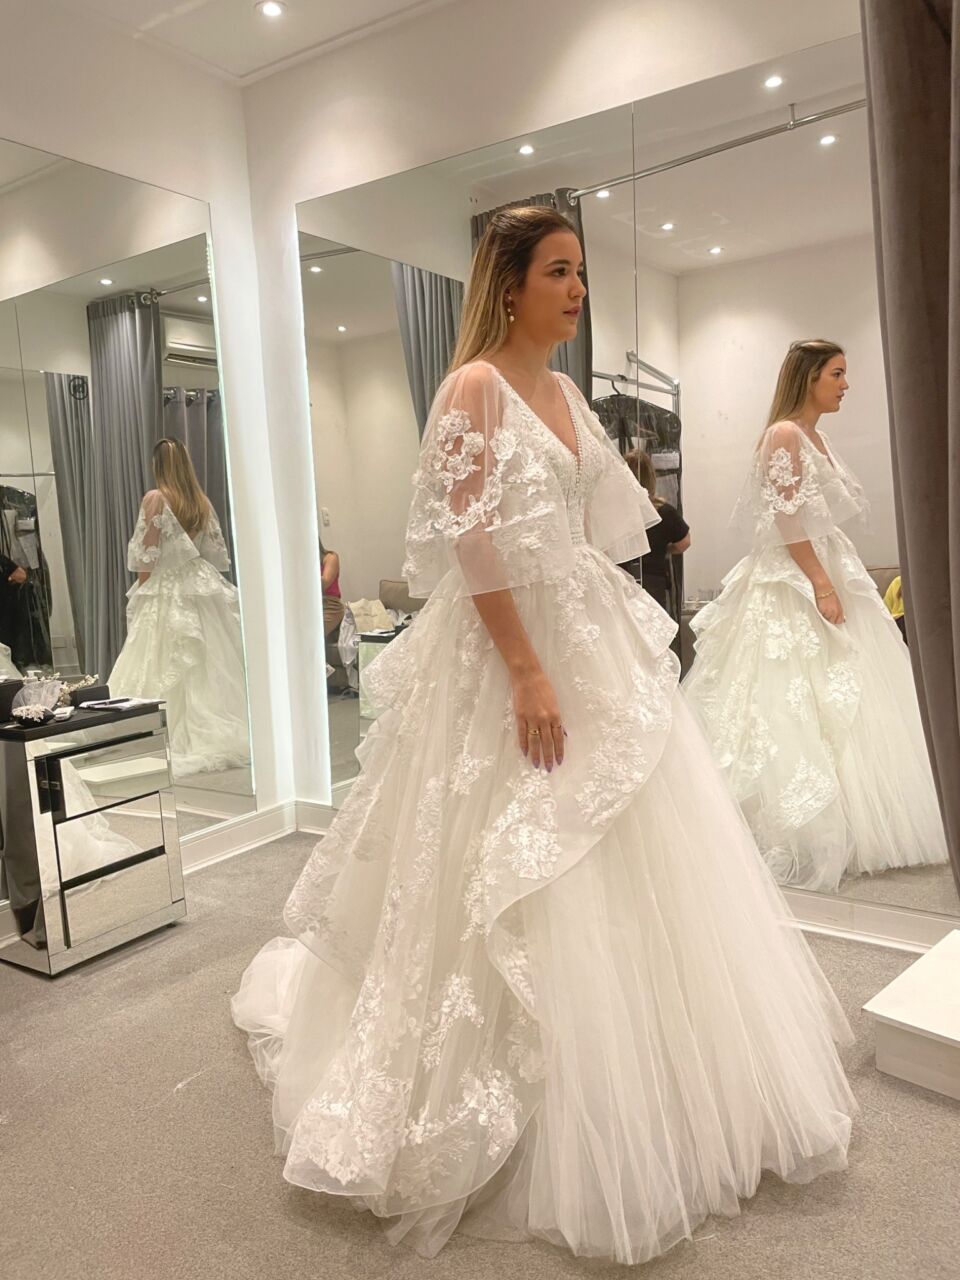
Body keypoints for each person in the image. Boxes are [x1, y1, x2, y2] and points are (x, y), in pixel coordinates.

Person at [232, 211, 855, 1265]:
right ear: (509, 284)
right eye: (558, 272)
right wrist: (526, 667)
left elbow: (603, 520)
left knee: (625, 846)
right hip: (502, 645)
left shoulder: (565, 393)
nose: (577, 290)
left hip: (582, 621)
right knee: (502, 849)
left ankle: (638, 1078)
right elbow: (470, 541)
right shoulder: (472, 386)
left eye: (580, 272)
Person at [684, 340, 947, 892]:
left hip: (826, 562)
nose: (845, 385)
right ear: (808, 377)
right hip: (796, 575)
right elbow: (787, 519)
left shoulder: (814, 436)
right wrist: (820, 583)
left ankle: (857, 818)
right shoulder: (783, 434)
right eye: (837, 374)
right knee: (789, 693)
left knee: (846, 686)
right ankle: (795, 826)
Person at [109, 438, 249, 779]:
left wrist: (143, 591)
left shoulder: (156, 498)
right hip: (200, 583)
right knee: (210, 658)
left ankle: (161, 731)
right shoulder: (201, 501)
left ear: (158, 465)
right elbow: (212, 553)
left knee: (160, 654)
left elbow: (148, 553)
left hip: (166, 584)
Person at [618, 448, 690, 612]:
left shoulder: (615, 512)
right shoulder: (664, 511)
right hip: (654, 581)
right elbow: (684, 543)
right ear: (651, 477)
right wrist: (665, 549)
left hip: (622, 579)